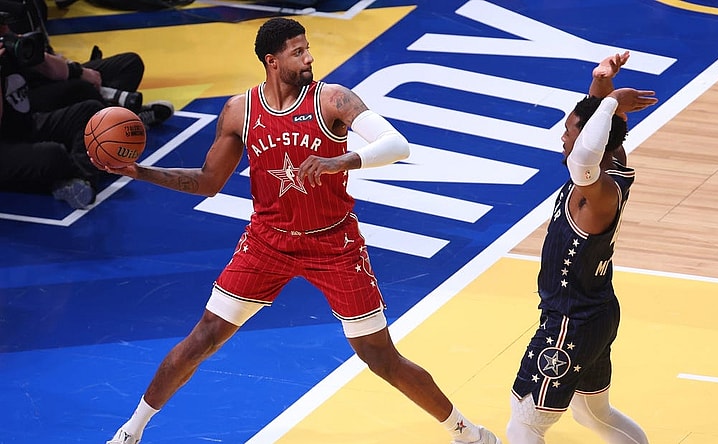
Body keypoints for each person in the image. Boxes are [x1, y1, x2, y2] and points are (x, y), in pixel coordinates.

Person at [102, 17, 502, 444]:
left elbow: (397, 145)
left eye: (307, 48)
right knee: (204, 337)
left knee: (379, 356)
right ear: (272, 62)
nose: (309, 57)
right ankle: (131, 432)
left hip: (333, 243)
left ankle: (467, 433)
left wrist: (338, 162)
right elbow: (207, 182)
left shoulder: (332, 100)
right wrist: (139, 171)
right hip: (267, 241)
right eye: (298, 52)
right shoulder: (241, 110)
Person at [505, 52, 657, 444]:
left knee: (524, 423)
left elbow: (586, 147)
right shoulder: (615, 164)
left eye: (568, 132)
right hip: (596, 314)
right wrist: (601, 83)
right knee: (594, 414)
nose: (563, 137)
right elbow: (595, 131)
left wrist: (610, 103)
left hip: (569, 322)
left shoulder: (595, 192)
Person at [3, 0, 174, 127]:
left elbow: (46, 53)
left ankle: (115, 117)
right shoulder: (8, 12)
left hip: (53, 70)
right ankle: (119, 119)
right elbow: (37, 65)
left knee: (129, 64)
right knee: (81, 89)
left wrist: (74, 67)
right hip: (24, 93)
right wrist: (76, 73)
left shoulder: (30, 6)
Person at [0, 22, 105, 209]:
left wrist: (22, 45)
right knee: (52, 154)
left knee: (91, 111)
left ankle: (80, 179)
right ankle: (69, 175)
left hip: (26, 124)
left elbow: (57, 71)